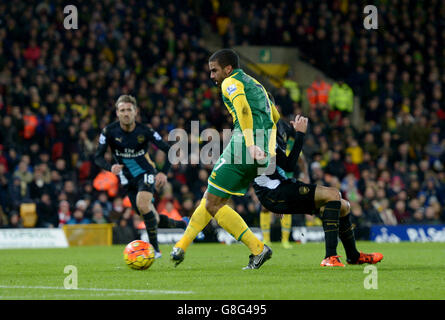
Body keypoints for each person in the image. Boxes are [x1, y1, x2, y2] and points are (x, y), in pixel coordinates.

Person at [170, 48, 279, 269]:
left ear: (228, 69)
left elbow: (244, 110)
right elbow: (274, 115)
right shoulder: (256, 84)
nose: (212, 76)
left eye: (214, 70)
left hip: (243, 146)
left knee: (211, 202)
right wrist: (267, 148)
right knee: (214, 201)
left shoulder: (231, 83)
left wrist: (249, 144)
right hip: (263, 152)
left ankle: (258, 248)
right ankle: (180, 246)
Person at [253, 109, 383, 267]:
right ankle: (330, 256)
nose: (275, 111)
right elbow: (288, 164)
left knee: (343, 206)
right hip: (274, 190)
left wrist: (293, 130)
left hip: (278, 188)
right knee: (333, 194)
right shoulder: (261, 134)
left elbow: (277, 166)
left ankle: (353, 256)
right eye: (271, 107)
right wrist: (300, 134)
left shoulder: (274, 128)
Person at [94, 95, 185, 258]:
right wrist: (110, 167)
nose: (126, 113)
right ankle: (183, 225)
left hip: (146, 172)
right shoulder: (109, 132)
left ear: (135, 112)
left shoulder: (145, 131)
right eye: (122, 110)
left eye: (129, 110)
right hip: (127, 179)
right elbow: (97, 157)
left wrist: (163, 171)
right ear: (117, 113)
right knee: (151, 216)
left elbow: (169, 150)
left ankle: (155, 250)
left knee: (143, 204)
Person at [259, 113, 310, 249]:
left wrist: (305, 175)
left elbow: (301, 160)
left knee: (286, 206)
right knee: (265, 207)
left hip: (285, 175)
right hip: (269, 175)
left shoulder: (288, 140)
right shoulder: (265, 135)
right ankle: (266, 239)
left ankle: (285, 240)